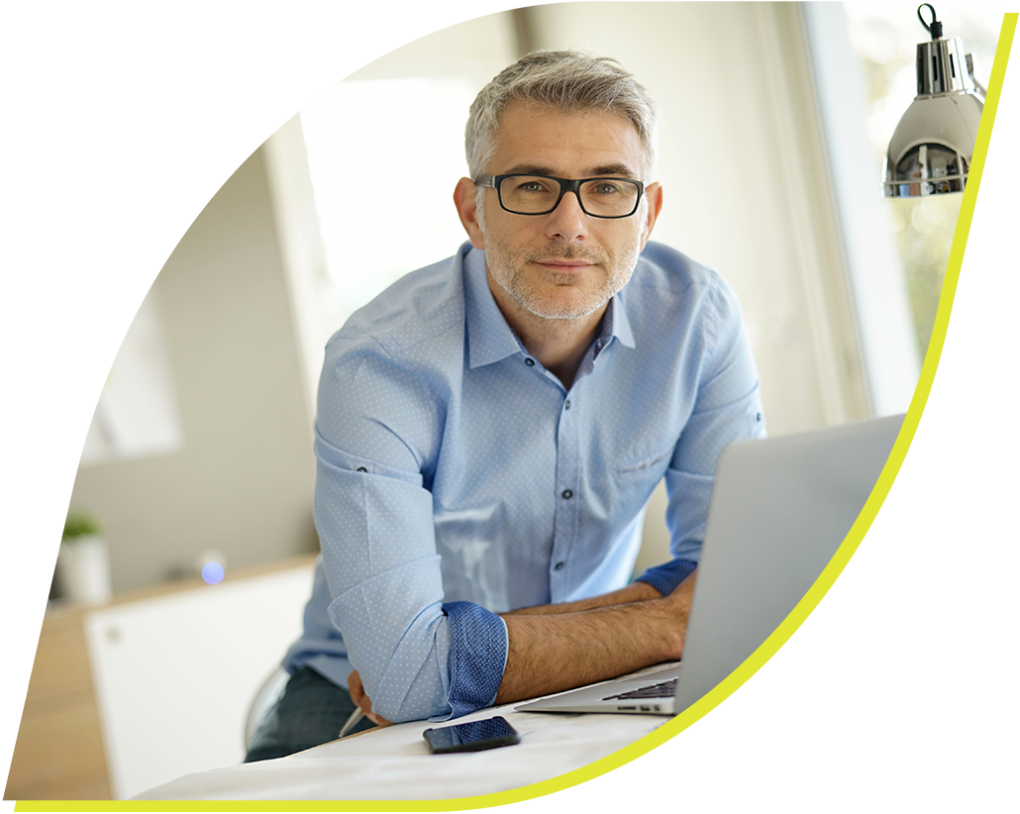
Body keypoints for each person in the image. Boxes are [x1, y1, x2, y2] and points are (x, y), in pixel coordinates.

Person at [245, 50, 766, 762]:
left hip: (586, 684)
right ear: (473, 211)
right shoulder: (379, 363)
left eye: (609, 188)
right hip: (347, 706)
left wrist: (459, 653)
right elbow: (401, 680)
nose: (571, 224)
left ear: (648, 213)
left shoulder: (698, 318)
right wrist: (665, 622)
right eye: (531, 186)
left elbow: (737, 579)